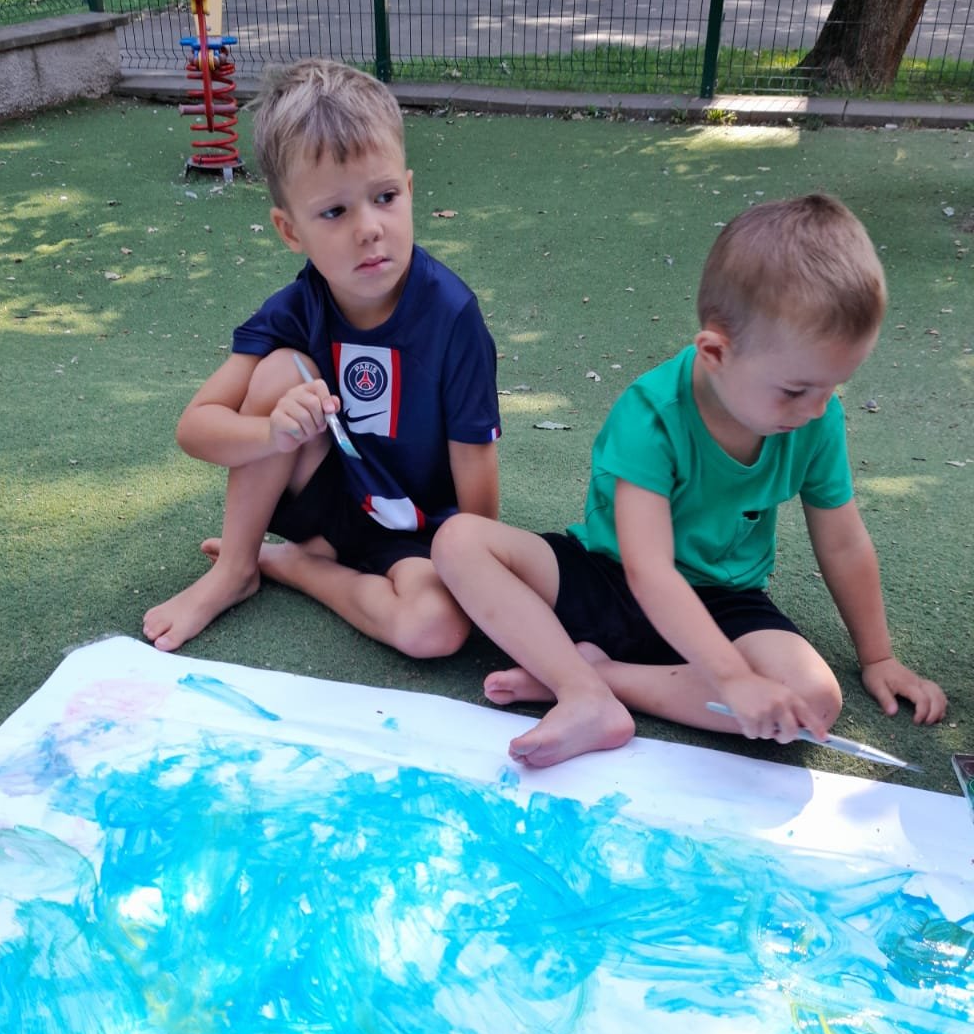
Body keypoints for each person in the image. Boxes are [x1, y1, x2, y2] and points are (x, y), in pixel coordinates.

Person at [432, 193, 947, 768]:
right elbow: (647, 570)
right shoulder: (652, 415)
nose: (816, 408)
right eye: (796, 390)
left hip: (723, 601)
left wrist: (878, 657)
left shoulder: (815, 416)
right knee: (458, 540)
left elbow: (844, 541)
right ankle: (580, 691)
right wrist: (731, 678)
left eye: (833, 386)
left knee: (812, 701)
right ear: (715, 351)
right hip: (609, 579)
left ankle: (597, 677)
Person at [143, 59, 501, 657]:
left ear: (409, 191)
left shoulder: (451, 315)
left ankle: (296, 566)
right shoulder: (296, 308)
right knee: (280, 373)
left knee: (433, 629)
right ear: (290, 231)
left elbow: (475, 461)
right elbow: (195, 428)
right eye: (335, 211)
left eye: (385, 197)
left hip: (415, 535)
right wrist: (274, 434)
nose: (369, 228)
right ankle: (235, 569)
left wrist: (482, 575)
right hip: (325, 500)